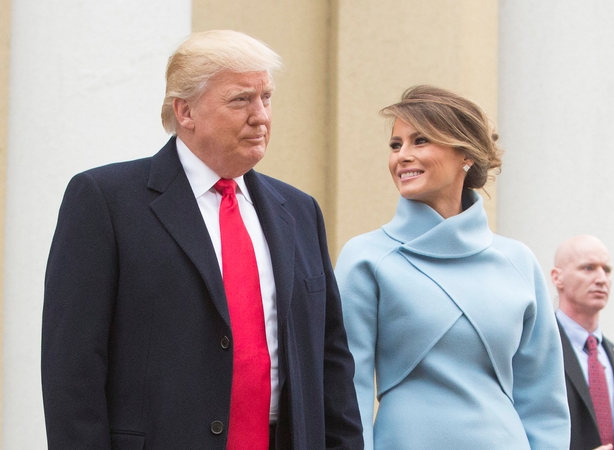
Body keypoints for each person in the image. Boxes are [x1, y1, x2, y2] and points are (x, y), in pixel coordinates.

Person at [41, 30, 363, 450]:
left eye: (266, 97)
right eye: (240, 99)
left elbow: (331, 360)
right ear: (186, 111)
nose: (261, 115)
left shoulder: (299, 211)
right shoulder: (105, 201)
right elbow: (72, 368)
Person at [335, 85, 571, 450]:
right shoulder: (366, 257)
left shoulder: (518, 261)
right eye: (396, 145)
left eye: (421, 141)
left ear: (465, 155)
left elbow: (544, 403)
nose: (403, 156)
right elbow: (349, 392)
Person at [552, 234, 614, 450]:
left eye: (606, 270)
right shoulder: (537, 349)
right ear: (557, 278)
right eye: (588, 268)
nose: (601, 279)